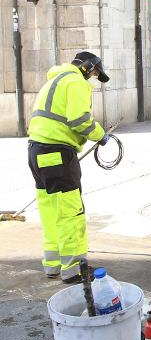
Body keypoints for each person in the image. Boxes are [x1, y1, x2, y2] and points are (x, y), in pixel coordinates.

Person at [27, 51, 110, 283]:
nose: (94, 78)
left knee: (51, 211)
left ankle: (52, 265)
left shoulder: (54, 80)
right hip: (57, 154)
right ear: (87, 67)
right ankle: (74, 268)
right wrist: (101, 135)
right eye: (94, 73)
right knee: (70, 212)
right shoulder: (75, 82)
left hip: (36, 152)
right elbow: (79, 120)